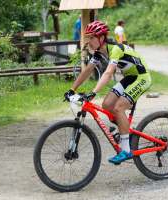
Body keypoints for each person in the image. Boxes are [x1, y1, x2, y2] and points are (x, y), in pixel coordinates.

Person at [64, 21, 152, 164]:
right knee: (107, 104)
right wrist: (72, 89)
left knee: (118, 108)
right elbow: (86, 71)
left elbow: (108, 73)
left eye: (92, 38)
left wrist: (94, 92)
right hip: (130, 78)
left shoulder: (116, 49)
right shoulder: (99, 53)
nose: (89, 41)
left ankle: (125, 150)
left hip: (141, 77)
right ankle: (125, 132)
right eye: (88, 38)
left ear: (101, 38)